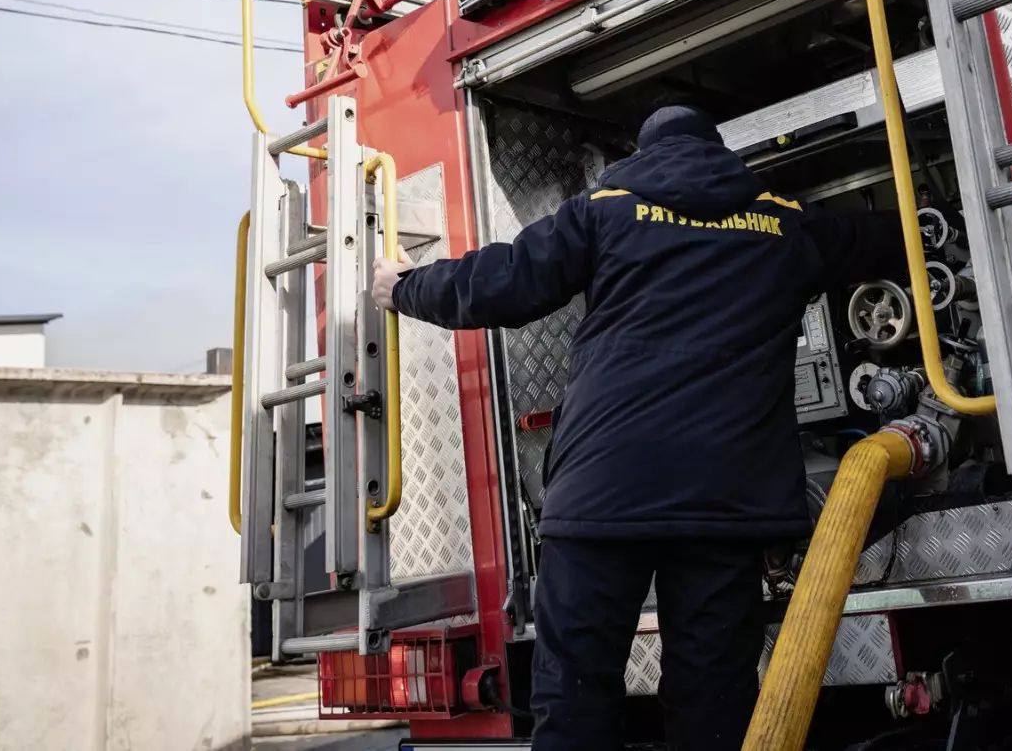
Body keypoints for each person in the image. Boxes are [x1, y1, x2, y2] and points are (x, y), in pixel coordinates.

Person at [372, 105, 905, 751]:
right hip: (727, 502)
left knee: (575, 695)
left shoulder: (606, 210)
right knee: (715, 699)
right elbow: (888, 237)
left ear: (642, 155)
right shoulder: (786, 222)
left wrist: (405, 286)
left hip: (603, 496)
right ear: (719, 152)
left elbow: (502, 282)